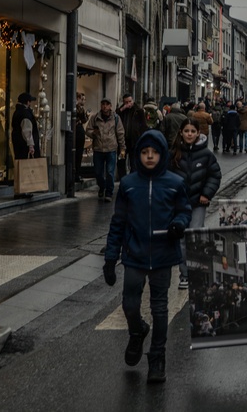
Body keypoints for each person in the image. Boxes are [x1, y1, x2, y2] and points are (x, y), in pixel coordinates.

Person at [103, 129, 191, 384]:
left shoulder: (174, 183)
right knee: (130, 305)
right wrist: (111, 258)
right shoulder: (129, 184)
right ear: (138, 154)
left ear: (162, 154)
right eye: (144, 152)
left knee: (160, 308)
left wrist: (178, 224)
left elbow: (184, 211)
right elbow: (118, 222)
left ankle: (157, 357)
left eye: (154, 152)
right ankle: (137, 330)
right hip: (134, 255)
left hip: (163, 255)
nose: (149, 157)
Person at [170, 118, 221, 290]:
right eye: (186, 131)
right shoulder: (174, 153)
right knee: (182, 239)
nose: (189, 134)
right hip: (179, 203)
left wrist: (206, 193)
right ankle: (185, 274)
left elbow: (215, 175)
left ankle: (197, 272)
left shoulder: (206, 154)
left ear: (198, 133)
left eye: (193, 131)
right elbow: (167, 175)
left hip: (198, 202)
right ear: (181, 133)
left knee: (195, 236)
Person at [86, 99, 126, 202]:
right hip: (98, 149)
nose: (104, 106)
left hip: (111, 149)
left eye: (107, 104)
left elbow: (120, 134)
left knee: (110, 172)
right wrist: (93, 133)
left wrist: (122, 148)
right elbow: (88, 130)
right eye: (103, 104)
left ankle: (109, 192)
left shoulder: (116, 118)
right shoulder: (95, 118)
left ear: (110, 106)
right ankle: (102, 186)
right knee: (98, 172)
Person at [117, 94, 148, 176]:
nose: (128, 104)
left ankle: (132, 177)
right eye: (126, 102)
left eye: (130, 101)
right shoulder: (121, 111)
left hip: (134, 141)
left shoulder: (139, 111)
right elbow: (115, 116)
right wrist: (122, 109)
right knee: (121, 160)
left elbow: (144, 126)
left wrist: (140, 137)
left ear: (133, 101)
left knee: (133, 161)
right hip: (122, 141)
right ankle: (122, 178)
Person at [11, 92, 40, 161]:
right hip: (24, 145)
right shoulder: (25, 114)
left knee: (20, 162)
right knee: (27, 165)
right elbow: (27, 131)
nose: (30, 104)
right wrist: (31, 145)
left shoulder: (17, 112)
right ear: (27, 102)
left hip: (18, 143)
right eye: (30, 102)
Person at [73, 92, 89, 183]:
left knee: (77, 155)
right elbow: (84, 119)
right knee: (78, 154)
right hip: (78, 132)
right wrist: (87, 115)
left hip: (77, 132)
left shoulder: (78, 107)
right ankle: (76, 174)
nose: (83, 101)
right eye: (82, 99)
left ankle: (76, 174)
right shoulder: (79, 108)